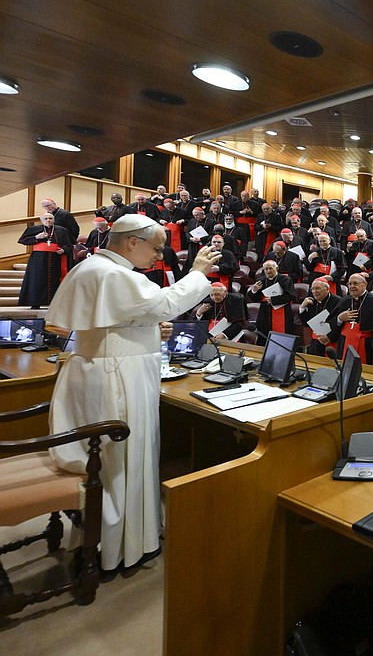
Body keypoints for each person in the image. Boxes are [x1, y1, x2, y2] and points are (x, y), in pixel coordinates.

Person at [46, 213, 222, 571]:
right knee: (122, 460)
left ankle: (116, 540)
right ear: (132, 243)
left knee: (120, 461)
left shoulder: (92, 266)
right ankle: (119, 547)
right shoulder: (113, 273)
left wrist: (149, 332)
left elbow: (113, 326)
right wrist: (198, 273)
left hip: (104, 370)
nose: (159, 256)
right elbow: (163, 304)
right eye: (156, 248)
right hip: (118, 379)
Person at [17, 213, 74, 308]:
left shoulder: (62, 230)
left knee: (55, 279)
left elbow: (70, 245)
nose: (48, 220)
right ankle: (35, 303)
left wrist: (64, 250)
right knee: (36, 280)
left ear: (54, 219)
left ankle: (53, 303)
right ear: (41, 220)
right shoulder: (34, 230)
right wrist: (36, 237)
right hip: (38, 260)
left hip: (56, 259)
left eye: (50, 218)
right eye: (46, 218)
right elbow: (22, 241)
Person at [338, 272, 373, 364]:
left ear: (364, 284)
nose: (352, 286)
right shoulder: (344, 301)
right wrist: (340, 319)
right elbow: (333, 323)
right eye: (349, 284)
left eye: (355, 283)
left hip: (366, 345)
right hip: (345, 343)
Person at [298, 278, 350, 356]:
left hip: (332, 340)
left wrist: (329, 337)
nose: (314, 291)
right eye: (312, 289)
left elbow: (340, 324)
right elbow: (306, 324)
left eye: (317, 288)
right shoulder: (311, 301)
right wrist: (302, 308)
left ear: (327, 289)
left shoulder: (338, 301)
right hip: (315, 340)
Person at [247, 260, 296, 336]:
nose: (268, 271)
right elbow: (255, 299)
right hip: (265, 312)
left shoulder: (285, 279)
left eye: (270, 268)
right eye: (266, 269)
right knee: (264, 335)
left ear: (276, 268)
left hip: (282, 310)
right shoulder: (261, 280)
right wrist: (254, 290)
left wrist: (273, 300)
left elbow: (291, 296)